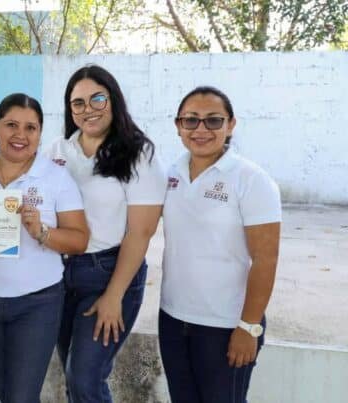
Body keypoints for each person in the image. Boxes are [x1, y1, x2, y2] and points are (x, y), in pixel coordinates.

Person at [45, 65, 167, 402]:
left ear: (113, 99)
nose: (88, 110)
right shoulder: (57, 150)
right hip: (59, 274)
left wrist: (114, 296)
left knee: (85, 378)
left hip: (110, 273)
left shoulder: (139, 153)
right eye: (78, 103)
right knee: (75, 378)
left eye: (97, 98)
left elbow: (141, 232)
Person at [0, 93, 89, 403]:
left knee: (20, 396)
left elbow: (79, 239)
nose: (20, 135)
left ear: (40, 133)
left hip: (38, 303)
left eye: (31, 128)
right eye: (11, 125)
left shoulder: (55, 177)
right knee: (4, 391)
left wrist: (42, 232)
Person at [159, 86, 281, 402]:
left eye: (213, 121)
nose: (201, 129)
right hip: (173, 319)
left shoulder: (251, 180)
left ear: (230, 125)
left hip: (226, 325)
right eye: (191, 121)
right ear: (178, 126)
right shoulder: (171, 173)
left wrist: (249, 326)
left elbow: (265, 259)